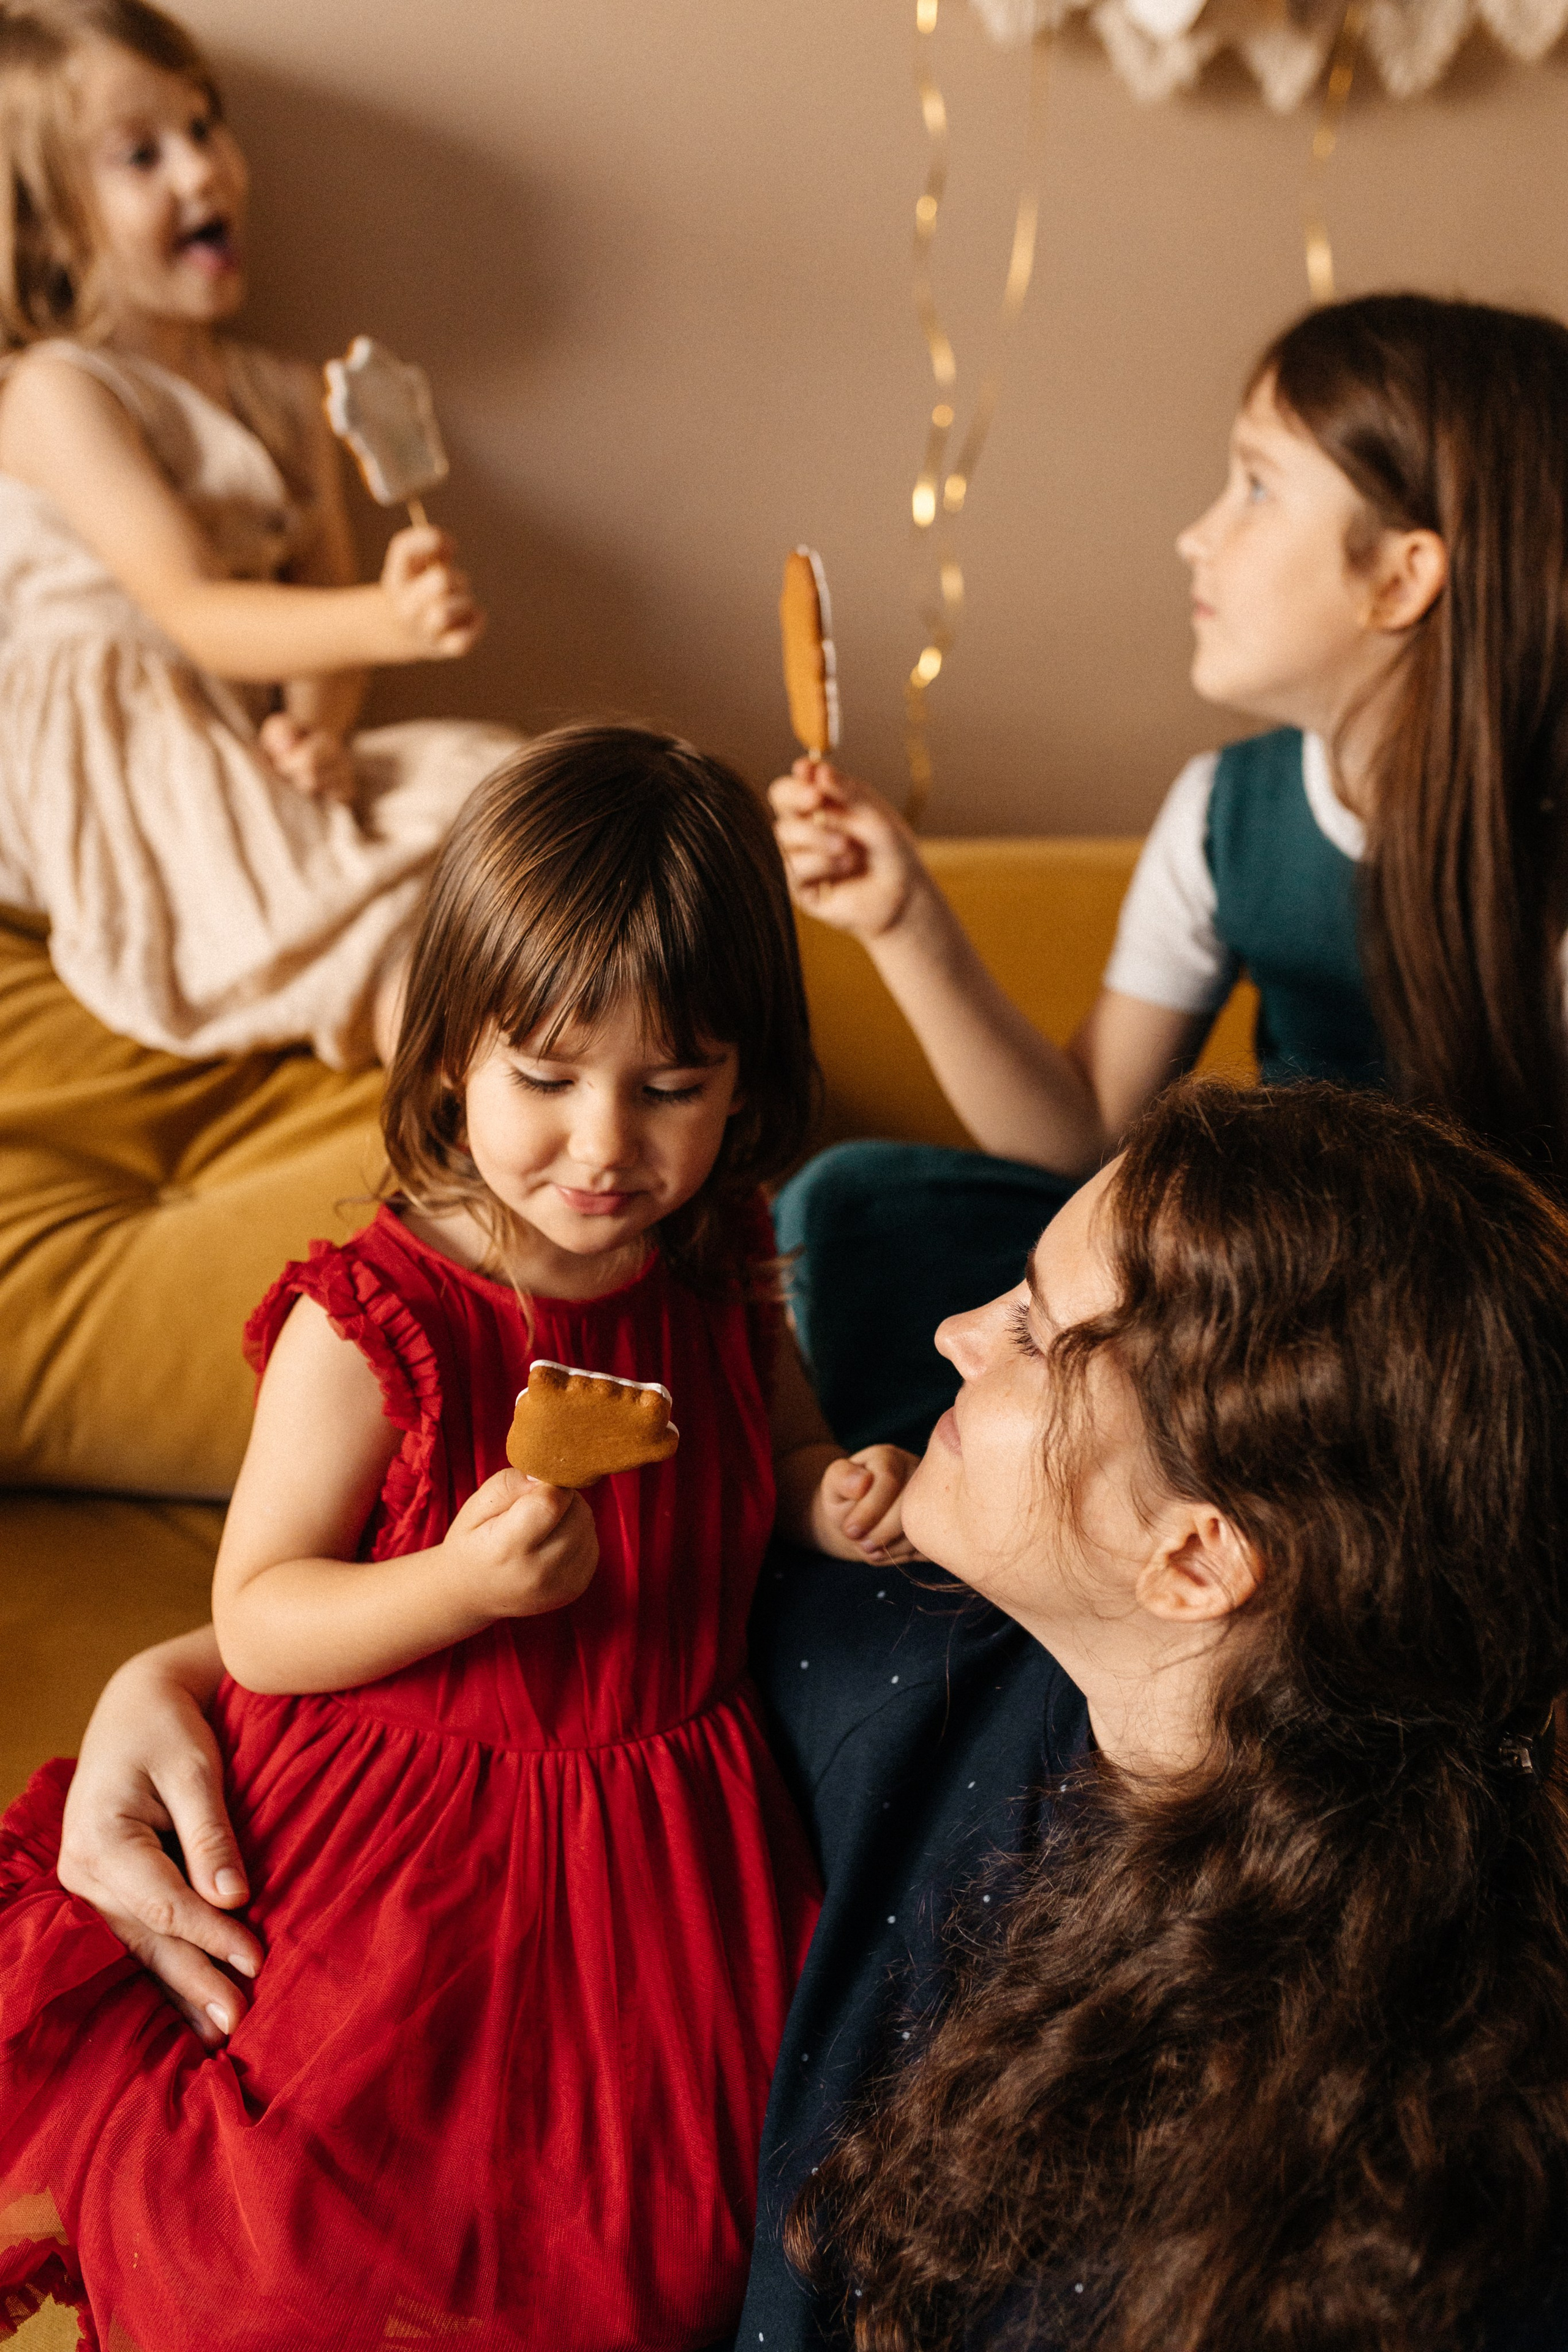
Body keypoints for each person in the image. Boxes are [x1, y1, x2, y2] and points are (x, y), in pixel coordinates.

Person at [43, 1082, 1568, 2351]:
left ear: (1193, 1557)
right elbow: (585, 1644)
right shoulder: (935, 1673)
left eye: (1035, 1333)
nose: (955, 1333)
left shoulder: (1358, 2220)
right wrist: (174, 1673)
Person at [0, 726, 921, 2350]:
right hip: (403, 1858)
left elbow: (771, 1450)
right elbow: (267, 1615)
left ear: (745, 1088)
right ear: (450, 1066)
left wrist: (830, 1489)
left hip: (668, 1850)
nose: (604, 1145)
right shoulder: (378, 1321)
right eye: (547, 1079)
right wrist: (456, 1585)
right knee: (303, 2262)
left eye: (672, 1088)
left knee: (665, 2250)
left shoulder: (717, 1273)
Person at [770, 293, 1568, 1452]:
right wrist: (905, 923)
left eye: (1254, 487)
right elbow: (1081, 1142)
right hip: (1262, 1292)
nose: (1196, 536)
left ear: (1401, 579)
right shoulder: (1222, 813)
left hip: (1476, 1339)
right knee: (853, 1212)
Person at [0, 0, 521, 1067]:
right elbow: (194, 612)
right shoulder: (60, 393)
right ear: (52, 221)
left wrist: (320, 726)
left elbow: (312, 599)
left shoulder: (287, 395)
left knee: (500, 792)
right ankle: (465, 1090)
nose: (204, 171)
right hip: (135, 744)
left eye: (205, 126)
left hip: (251, 737)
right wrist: (388, 618)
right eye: (143, 155)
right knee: (363, 930)